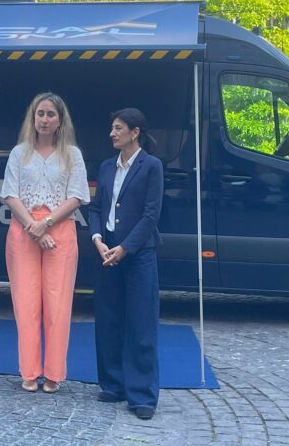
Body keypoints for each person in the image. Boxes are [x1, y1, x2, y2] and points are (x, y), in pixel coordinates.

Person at [0, 93, 88, 393]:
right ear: (33, 117)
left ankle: (53, 372)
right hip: (23, 229)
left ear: (60, 120)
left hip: (60, 230)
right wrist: (33, 227)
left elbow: (76, 196)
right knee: (26, 303)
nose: (45, 119)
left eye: (51, 114)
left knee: (57, 305)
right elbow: (10, 194)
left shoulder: (72, 155)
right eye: (40, 114)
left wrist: (46, 224)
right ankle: (29, 370)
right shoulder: (19, 153)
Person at [87, 108, 164, 420]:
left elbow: (151, 214)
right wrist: (97, 239)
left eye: (118, 128)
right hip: (107, 252)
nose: (112, 133)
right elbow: (95, 207)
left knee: (141, 322)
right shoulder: (107, 166)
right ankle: (112, 383)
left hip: (138, 255)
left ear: (135, 133)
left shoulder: (152, 166)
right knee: (108, 319)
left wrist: (125, 248)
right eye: (112, 128)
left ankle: (142, 394)